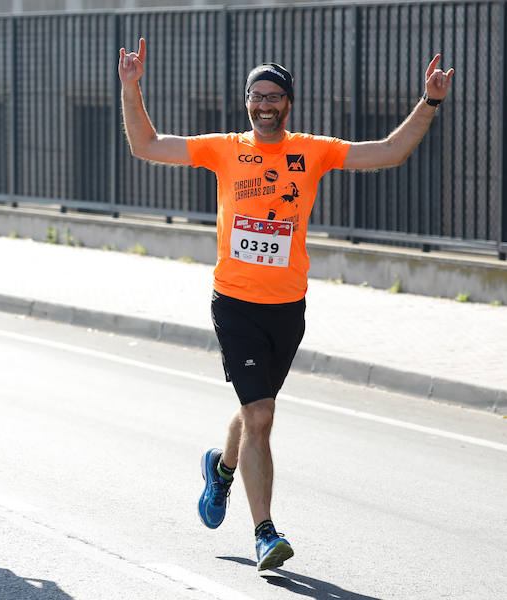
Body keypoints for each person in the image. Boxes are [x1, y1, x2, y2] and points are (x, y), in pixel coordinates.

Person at [118, 38, 453, 571]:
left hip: (288, 306)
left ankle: (222, 468)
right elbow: (147, 144)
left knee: (257, 412)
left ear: (288, 103)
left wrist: (429, 102)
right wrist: (131, 87)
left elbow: (388, 152)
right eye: (256, 96)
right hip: (234, 302)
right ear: (246, 102)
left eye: (273, 96)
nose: (264, 104)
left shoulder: (310, 150)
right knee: (262, 413)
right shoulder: (224, 147)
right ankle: (265, 532)